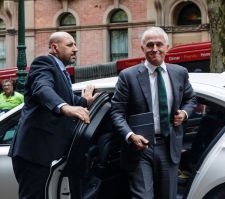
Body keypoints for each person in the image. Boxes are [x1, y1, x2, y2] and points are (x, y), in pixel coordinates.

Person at [8, 31, 99, 199]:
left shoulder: (61, 71)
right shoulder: (43, 63)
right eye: (70, 45)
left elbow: (69, 99)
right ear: (54, 48)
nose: (76, 49)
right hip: (33, 153)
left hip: (45, 154)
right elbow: (42, 89)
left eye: (75, 45)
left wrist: (84, 101)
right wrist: (64, 107)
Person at [111, 27, 197, 199]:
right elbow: (117, 112)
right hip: (140, 148)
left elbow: (191, 100)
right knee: (143, 196)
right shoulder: (128, 76)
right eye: (150, 45)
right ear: (142, 49)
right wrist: (130, 136)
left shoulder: (180, 73)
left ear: (167, 46)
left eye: (159, 44)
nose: (155, 49)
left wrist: (185, 114)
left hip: (169, 145)